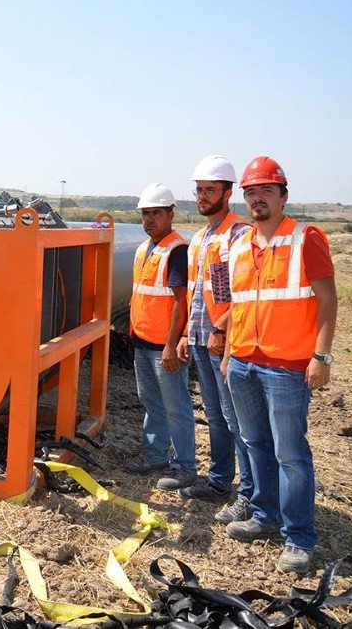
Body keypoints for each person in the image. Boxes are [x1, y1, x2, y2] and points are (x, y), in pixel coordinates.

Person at [223, 156, 337, 574]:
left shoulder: (305, 237)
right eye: (251, 192)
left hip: (287, 368)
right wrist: (230, 355)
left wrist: (321, 357)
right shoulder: (239, 243)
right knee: (255, 444)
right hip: (243, 362)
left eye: (266, 191)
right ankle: (264, 515)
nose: (257, 199)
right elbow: (237, 305)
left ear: (283, 196)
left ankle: (299, 538)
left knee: (290, 453)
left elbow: (328, 301)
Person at [174, 156, 254, 523]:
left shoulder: (239, 233)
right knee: (215, 414)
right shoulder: (200, 238)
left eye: (210, 190)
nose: (203, 197)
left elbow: (242, 292)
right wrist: (185, 335)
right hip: (201, 339)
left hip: (227, 341)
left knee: (236, 418)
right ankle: (220, 481)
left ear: (228, 192)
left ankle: (249, 494)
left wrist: (224, 331)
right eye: (199, 190)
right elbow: (195, 292)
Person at [124, 183, 197, 491]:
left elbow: (182, 300)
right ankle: (156, 456)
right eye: (145, 214)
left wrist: (172, 344)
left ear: (170, 214)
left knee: (176, 406)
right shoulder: (145, 248)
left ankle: (185, 466)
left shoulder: (176, 250)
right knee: (151, 402)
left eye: (156, 213)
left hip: (162, 348)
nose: (150, 219)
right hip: (143, 342)